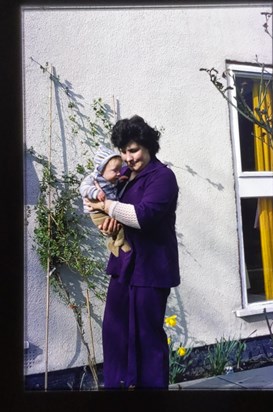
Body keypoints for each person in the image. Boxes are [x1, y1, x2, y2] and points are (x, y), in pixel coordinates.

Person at [84, 115, 180, 390]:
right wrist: (107, 223)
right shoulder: (125, 179)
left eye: (134, 150)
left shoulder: (163, 177)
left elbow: (142, 216)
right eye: (124, 151)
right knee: (115, 333)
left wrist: (108, 207)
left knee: (146, 338)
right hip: (123, 266)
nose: (128, 157)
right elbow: (116, 215)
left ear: (148, 146)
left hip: (151, 269)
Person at [79, 145, 131, 256]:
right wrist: (96, 193)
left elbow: (112, 185)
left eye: (119, 170)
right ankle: (119, 243)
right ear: (101, 169)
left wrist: (119, 180)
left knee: (116, 226)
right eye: (115, 171)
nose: (119, 173)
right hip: (97, 213)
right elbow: (83, 188)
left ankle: (115, 243)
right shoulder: (93, 178)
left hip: (105, 210)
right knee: (119, 226)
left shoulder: (110, 178)